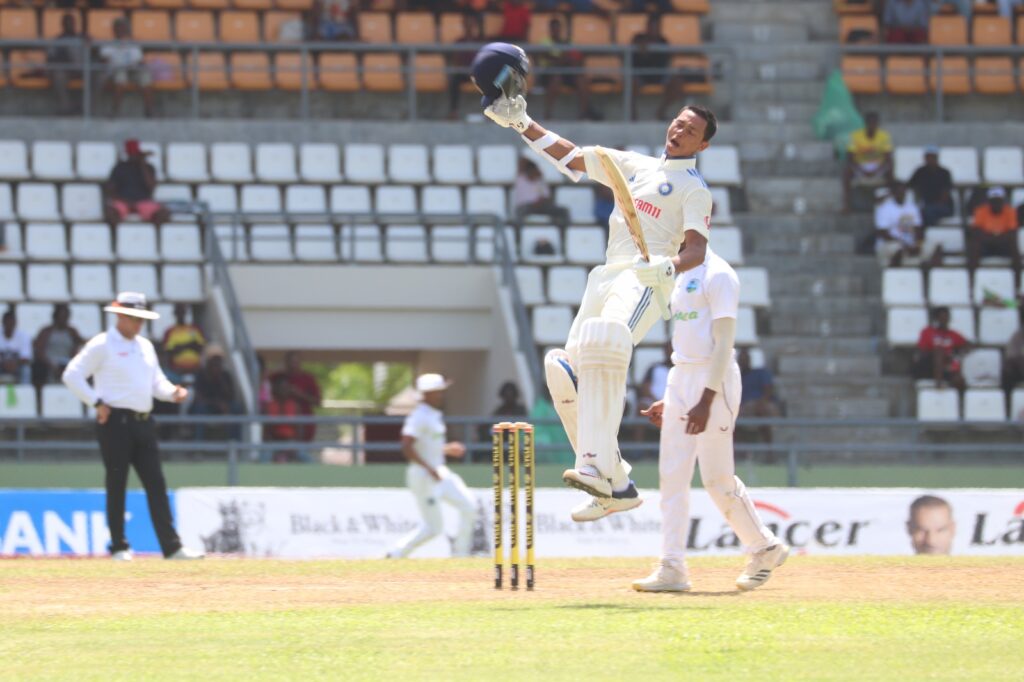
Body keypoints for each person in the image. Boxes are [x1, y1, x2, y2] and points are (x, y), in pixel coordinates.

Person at [480, 50, 717, 521]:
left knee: (605, 341)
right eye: (677, 123)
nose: (678, 131)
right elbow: (571, 157)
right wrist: (522, 122)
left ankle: (591, 464)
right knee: (563, 368)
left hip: (646, 278)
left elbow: (697, 251)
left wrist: (668, 268)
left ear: (702, 145)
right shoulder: (633, 165)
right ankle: (617, 482)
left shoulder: (694, 189)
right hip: (607, 273)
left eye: (690, 131)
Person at [633, 247, 789, 592]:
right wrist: (673, 399)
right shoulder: (679, 273)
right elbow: (689, 343)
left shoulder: (719, 274)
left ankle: (765, 548)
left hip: (714, 382)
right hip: (681, 377)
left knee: (717, 478)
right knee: (671, 477)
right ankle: (672, 567)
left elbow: (723, 345)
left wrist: (705, 399)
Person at [61, 292, 204, 561]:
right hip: (114, 422)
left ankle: (172, 547)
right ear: (119, 316)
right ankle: (119, 546)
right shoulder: (102, 344)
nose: (138, 324)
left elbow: (156, 384)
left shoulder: (145, 346)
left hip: (143, 421)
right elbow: (72, 375)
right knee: (117, 482)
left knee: (156, 483)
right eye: (133, 318)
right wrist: (96, 402)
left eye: (141, 319)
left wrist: (173, 393)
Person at [387, 373, 475, 559]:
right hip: (424, 476)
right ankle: (396, 553)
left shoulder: (433, 415)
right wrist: (429, 469)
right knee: (434, 528)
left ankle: (461, 555)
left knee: (469, 506)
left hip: (439, 472)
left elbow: (428, 446)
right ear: (426, 394)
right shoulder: (419, 416)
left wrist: (447, 449)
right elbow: (406, 445)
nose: (441, 395)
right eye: (438, 392)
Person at [536, 17, 596, 120]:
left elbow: (576, 58)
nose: (556, 30)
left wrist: (564, 59)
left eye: (558, 28)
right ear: (550, 29)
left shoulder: (568, 42)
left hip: (567, 72)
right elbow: (550, 58)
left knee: (581, 79)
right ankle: (548, 114)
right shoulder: (544, 42)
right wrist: (564, 58)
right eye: (554, 28)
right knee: (556, 78)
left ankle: (584, 113)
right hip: (548, 73)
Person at [104, 139, 169, 227]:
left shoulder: (148, 168)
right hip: (124, 202)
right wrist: (125, 201)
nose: (134, 156)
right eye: (132, 153)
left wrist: (142, 164)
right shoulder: (120, 167)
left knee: (163, 214)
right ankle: (119, 235)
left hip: (143, 201)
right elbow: (110, 190)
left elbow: (152, 187)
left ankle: (152, 236)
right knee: (110, 213)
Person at [874, 181, 939, 268]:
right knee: (898, 248)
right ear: (893, 193)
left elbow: (918, 228)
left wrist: (917, 243)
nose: (901, 193)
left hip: (910, 243)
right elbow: (883, 233)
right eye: (898, 191)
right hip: (890, 243)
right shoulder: (884, 208)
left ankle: (928, 276)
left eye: (903, 191)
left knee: (935, 246)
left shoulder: (912, 207)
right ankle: (895, 274)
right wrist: (904, 244)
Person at [99, 18, 155, 118]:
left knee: (145, 76)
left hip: (132, 70)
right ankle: (115, 111)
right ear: (114, 30)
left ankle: (149, 111)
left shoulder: (132, 44)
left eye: (123, 28)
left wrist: (138, 65)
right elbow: (105, 60)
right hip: (116, 71)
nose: (121, 30)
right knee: (121, 76)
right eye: (118, 28)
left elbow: (140, 61)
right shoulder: (108, 44)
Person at [189, 345, 243, 441]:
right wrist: (216, 403)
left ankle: (234, 442)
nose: (216, 363)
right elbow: (199, 397)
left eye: (218, 360)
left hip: (223, 406)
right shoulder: (201, 375)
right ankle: (198, 444)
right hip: (207, 406)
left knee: (236, 407)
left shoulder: (225, 375)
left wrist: (221, 380)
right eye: (214, 360)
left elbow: (231, 395)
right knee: (199, 409)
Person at [843, 111, 894, 213]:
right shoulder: (855, 136)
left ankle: (889, 204)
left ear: (877, 124)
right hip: (860, 165)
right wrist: (862, 170)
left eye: (874, 123)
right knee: (846, 173)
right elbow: (850, 158)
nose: (872, 125)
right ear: (865, 123)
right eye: (870, 123)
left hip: (878, 166)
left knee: (891, 173)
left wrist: (876, 171)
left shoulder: (884, 136)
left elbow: (888, 158)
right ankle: (847, 205)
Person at [914, 306, 969, 391]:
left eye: (946, 317)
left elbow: (968, 345)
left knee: (959, 379)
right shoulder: (928, 332)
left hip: (946, 366)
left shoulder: (953, 334)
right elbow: (922, 351)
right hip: (928, 366)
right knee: (938, 352)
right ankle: (938, 383)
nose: (944, 320)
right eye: (941, 317)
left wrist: (957, 354)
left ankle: (961, 400)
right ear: (936, 319)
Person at [272, 351, 321, 443]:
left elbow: (318, 401)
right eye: (290, 362)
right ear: (286, 362)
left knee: (301, 451)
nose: (293, 365)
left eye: (295, 362)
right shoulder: (277, 377)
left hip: (304, 420)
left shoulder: (308, 378)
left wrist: (299, 394)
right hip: (281, 424)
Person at [968, 186, 1020, 272]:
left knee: (1014, 246)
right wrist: (993, 237)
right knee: (974, 245)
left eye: (998, 201)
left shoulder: (1010, 211)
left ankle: (1018, 281)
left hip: (1002, 245)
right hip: (986, 245)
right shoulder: (980, 211)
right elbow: (976, 232)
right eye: (994, 201)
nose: (996, 203)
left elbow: (1012, 232)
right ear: (989, 201)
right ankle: (971, 279)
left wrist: (995, 237)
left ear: (1002, 201)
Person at [31, 303, 84, 386]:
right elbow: (39, 351)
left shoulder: (72, 332)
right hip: (49, 363)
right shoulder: (46, 331)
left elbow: (78, 347)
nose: (63, 319)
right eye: (61, 316)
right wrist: (52, 366)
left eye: (65, 316)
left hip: (66, 363)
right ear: (55, 316)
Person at [737, 347, 782, 445]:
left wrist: (761, 403)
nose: (743, 361)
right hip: (744, 408)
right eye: (741, 359)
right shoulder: (736, 376)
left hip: (762, 404)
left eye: (745, 358)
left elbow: (768, 389)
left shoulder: (761, 373)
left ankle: (769, 450)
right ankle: (740, 453)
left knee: (762, 413)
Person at [46, 12, 87, 116]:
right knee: (58, 76)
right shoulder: (57, 40)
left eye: (72, 23)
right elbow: (51, 58)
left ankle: (87, 109)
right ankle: (65, 109)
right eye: (67, 23)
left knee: (98, 74)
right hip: (66, 71)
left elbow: (95, 53)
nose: (70, 25)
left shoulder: (83, 38)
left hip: (84, 70)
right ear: (62, 25)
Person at [513, 158, 570, 229]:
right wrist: (533, 164)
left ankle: (562, 233)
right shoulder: (521, 179)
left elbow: (546, 197)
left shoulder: (540, 180)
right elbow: (522, 160)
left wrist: (540, 201)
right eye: (532, 171)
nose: (533, 173)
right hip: (526, 206)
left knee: (563, 211)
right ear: (527, 171)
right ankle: (518, 234)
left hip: (540, 206)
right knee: (519, 213)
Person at [447, 13, 484, 120]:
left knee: (491, 81)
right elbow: (455, 60)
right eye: (467, 24)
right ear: (464, 26)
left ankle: (493, 113)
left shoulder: (480, 41)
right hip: (464, 72)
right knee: (454, 81)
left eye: (471, 24)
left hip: (478, 73)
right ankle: (453, 112)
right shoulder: (459, 42)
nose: (469, 27)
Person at [907, 145, 954, 227]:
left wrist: (934, 206)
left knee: (927, 212)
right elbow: (910, 185)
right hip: (926, 205)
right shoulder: (920, 172)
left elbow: (945, 194)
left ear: (937, 157)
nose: (930, 159)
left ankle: (930, 232)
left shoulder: (945, 173)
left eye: (933, 157)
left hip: (944, 206)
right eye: (928, 156)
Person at [263, 375, 305, 462]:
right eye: (281, 387)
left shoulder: (295, 406)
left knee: (307, 459)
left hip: (291, 443)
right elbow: (266, 432)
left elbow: (299, 430)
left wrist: (293, 447)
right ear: (275, 389)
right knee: (264, 458)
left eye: (286, 387)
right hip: (273, 442)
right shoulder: (269, 406)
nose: (283, 390)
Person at [161, 303, 206, 378]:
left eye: (182, 312)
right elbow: (169, 352)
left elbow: (200, 347)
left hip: (196, 371)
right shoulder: (169, 331)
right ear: (175, 313)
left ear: (186, 313)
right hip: (176, 372)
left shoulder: (195, 329)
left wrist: (180, 347)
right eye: (178, 312)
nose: (180, 314)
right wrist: (190, 345)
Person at [637, 342, 672, 415]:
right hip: (653, 402)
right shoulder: (655, 367)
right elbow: (645, 389)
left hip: (676, 404)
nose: (671, 351)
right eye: (669, 349)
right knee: (642, 407)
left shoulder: (683, 371)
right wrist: (657, 402)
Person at [0, 309, 32, 385]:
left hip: (17, 366)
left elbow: (26, 357)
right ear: (3, 322)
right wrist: (4, 364)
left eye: (11, 321)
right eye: (7, 321)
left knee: (26, 370)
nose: (9, 324)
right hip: (1, 365)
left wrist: (15, 364)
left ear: (15, 323)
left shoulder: (24, 336)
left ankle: (25, 391)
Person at [1003, 316, 1024, 394]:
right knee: (1008, 371)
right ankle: (1008, 401)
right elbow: (1012, 356)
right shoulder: (1018, 336)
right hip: (1019, 369)